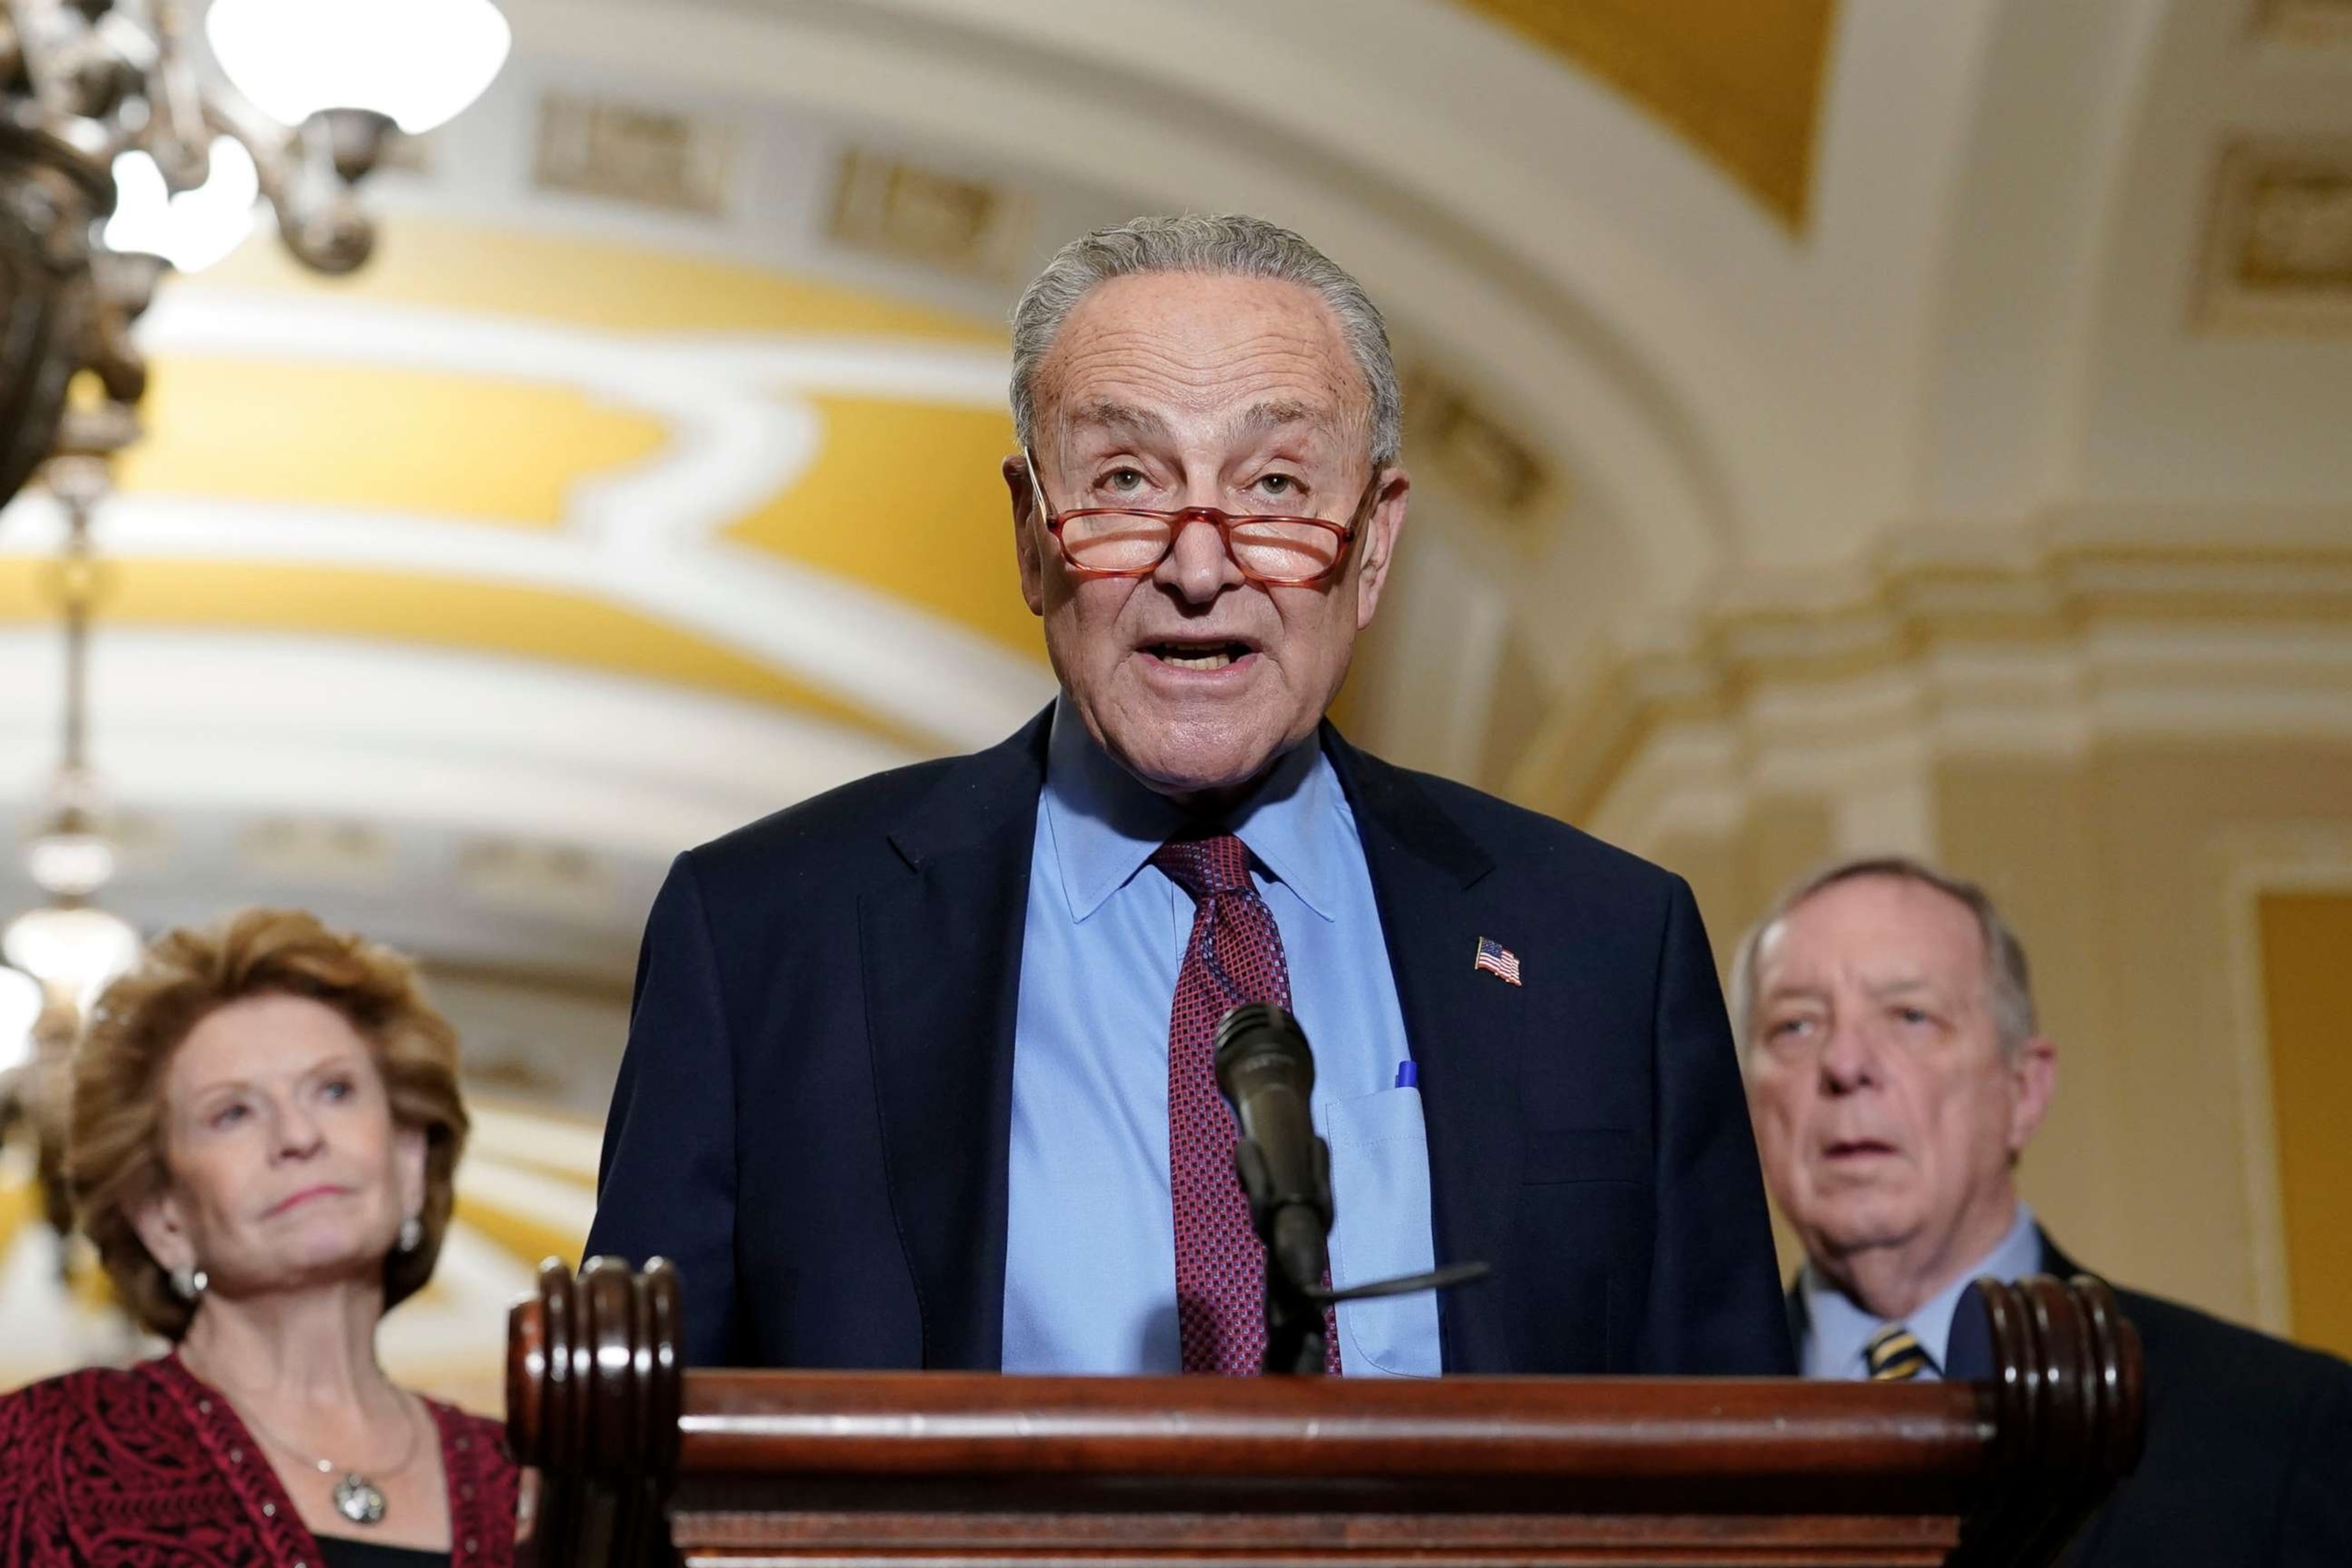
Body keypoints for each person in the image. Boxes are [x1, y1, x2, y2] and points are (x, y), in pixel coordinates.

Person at [586, 213, 1790, 1378]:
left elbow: (1742, 1477)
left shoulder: (1604, 948)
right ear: (1029, 535)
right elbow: (628, 1463)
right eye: (1124, 478)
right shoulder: (764, 936)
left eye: (1274, 484)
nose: (1200, 566)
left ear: (1372, 546)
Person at [1733, 856, 2352, 1566]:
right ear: (1748, 1104)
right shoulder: (1661, 1428)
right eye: (1795, 1027)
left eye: (1910, 1016)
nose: (1845, 1063)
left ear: (2023, 1092)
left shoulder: (2283, 1426)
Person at [0, 909, 519, 1568]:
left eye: (334, 1090)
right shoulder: (35, 1461)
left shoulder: (535, 1487)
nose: (299, 1136)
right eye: (233, 1112)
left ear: (410, 1159)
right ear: (163, 1215)